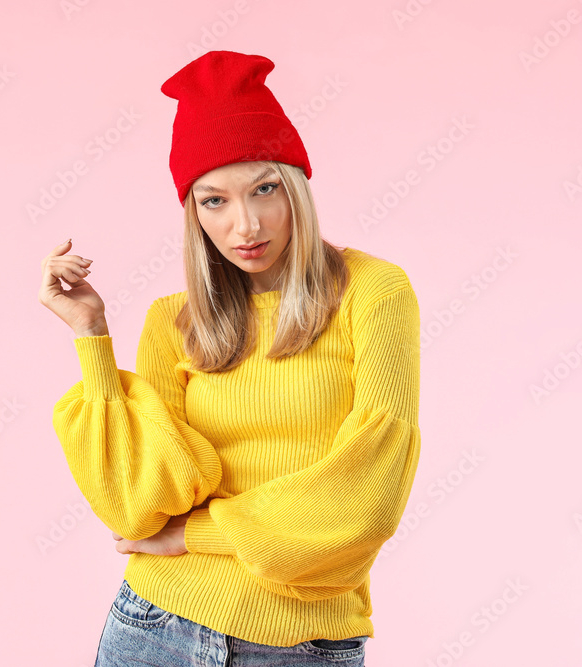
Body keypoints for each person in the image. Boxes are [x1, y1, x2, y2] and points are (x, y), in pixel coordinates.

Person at [37, 50, 421, 666]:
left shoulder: (373, 291)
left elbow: (367, 496)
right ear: (193, 213)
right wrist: (93, 336)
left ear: (296, 186)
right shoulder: (174, 319)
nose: (247, 224)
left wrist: (195, 534)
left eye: (265, 189)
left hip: (298, 643)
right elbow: (136, 506)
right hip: (153, 625)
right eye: (214, 200)